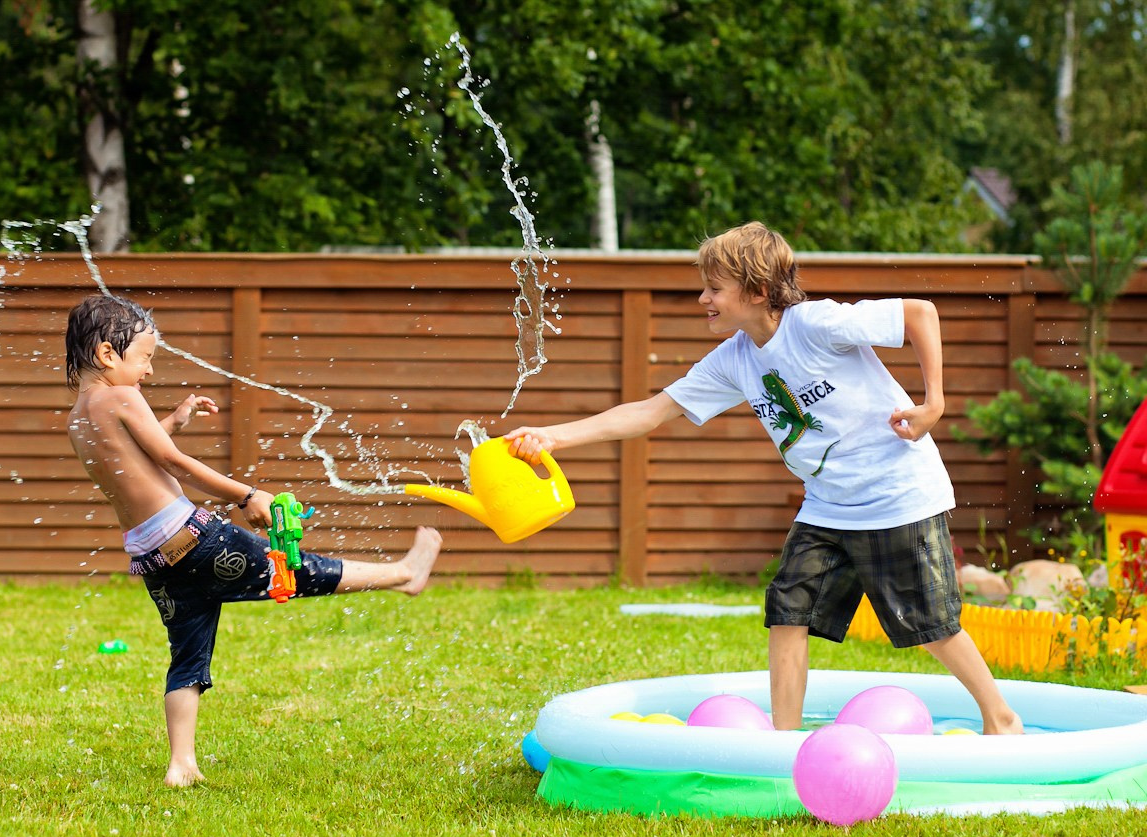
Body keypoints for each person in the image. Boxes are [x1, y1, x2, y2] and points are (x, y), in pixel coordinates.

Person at [505, 221, 1023, 735]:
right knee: (789, 610)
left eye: (714, 289)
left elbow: (919, 313)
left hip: (896, 494)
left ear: (755, 291)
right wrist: (555, 436)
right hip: (826, 506)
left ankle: (1000, 715)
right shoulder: (733, 360)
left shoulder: (815, 324)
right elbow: (652, 411)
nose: (702, 299)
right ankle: (785, 741)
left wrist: (934, 403)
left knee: (927, 625)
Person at [65, 294, 443, 786]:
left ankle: (182, 764)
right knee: (294, 569)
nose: (150, 373)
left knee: (187, 654)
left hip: (154, 557)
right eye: (146, 359)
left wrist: (173, 422)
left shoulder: (80, 415)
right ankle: (404, 574)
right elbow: (175, 463)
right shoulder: (121, 396)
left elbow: (134, 455)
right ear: (107, 355)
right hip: (193, 538)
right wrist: (247, 494)